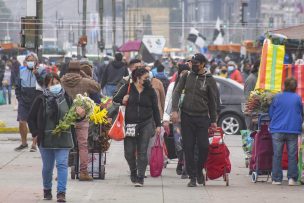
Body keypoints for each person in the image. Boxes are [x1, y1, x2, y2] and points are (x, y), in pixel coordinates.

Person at [171, 53, 218, 187]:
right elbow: (177, 92)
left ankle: (198, 170)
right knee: (188, 147)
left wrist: (214, 120)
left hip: (203, 118)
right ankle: (192, 177)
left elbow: (213, 102)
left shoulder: (209, 79)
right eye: (192, 63)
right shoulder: (186, 76)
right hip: (186, 117)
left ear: (203, 64)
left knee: (204, 147)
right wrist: (174, 110)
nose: (193, 65)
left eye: (196, 63)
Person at [28, 73, 76, 202]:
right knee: (48, 167)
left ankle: (61, 193)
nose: (55, 86)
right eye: (51, 84)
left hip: (63, 138)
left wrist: (81, 114)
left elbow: (75, 116)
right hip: (46, 139)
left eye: (56, 83)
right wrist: (35, 133)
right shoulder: (40, 99)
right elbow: (30, 118)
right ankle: (47, 190)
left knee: (61, 164)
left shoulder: (67, 98)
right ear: (46, 86)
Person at [113, 67, 161, 187]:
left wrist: (158, 124)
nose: (147, 80)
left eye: (148, 78)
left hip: (146, 123)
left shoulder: (150, 91)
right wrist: (123, 100)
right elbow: (115, 99)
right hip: (130, 123)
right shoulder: (127, 88)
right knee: (128, 152)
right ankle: (133, 171)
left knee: (142, 151)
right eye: (145, 78)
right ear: (137, 77)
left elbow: (155, 108)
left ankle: (140, 177)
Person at [61, 60, 100, 181]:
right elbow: (97, 87)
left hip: (65, 117)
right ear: (79, 70)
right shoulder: (85, 81)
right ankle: (83, 172)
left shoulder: (62, 81)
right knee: (83, 145)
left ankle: (61, 174)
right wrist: (86, 75)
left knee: (64, 146)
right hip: (82, 118)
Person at [269, 77, 303, 186]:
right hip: (293, 130)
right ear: (295, 87)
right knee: (292, 155)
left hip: (277, 129)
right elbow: (301, 113)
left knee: (277, 154)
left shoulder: (277, 97)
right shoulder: (297, 98)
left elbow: (271, 113)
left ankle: (276, 179)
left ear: (284, 85)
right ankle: (292, 179)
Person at [15, 53, 46, 152]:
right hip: (24, 100)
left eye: (32, 60)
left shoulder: (42, 70)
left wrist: (36, 74)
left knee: (35, 122)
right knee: (22, 121)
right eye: (28, 60)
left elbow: (44, 84)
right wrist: (19, 98)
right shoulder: (21, 71)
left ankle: (34, 144)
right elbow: (17, 86)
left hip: (36, 98)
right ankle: (24, 143)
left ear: (36, 61)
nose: (30, 62)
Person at [163, 63, 190, 179]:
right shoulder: (173, 85)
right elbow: (168, 102)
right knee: (178, 143)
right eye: (182, 73)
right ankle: (181, 160)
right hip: (176, 119)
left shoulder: (192, 85)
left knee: (188, 143)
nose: (184, 75)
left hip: (190, 118)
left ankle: (186, 167)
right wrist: (165, 119)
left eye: (186, 73)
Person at [244, 60, 260, 130]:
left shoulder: (258, 78)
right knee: (251, 137)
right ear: (257, 67)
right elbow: (248, 98)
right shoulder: (251, 79)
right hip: (252, 115)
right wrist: (253, 114)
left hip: (256, 113)